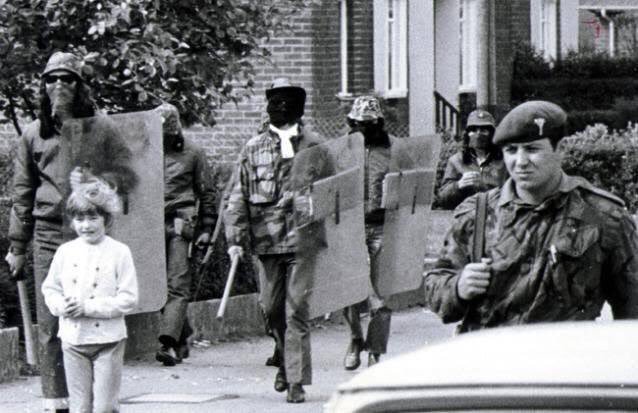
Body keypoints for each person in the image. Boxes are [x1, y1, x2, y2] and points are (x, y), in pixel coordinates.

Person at [424, 100, 638, 332]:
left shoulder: (603, 216)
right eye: (511, 150)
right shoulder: (477, 213)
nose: (520, 162)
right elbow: (435, 285)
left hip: (565, 361)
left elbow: (632, 309)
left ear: (560, 149)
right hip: (489, 360)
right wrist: (458, 287)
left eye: (532, 149)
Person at [5, 51, 137, 413]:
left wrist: (98, 185)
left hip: (91, 233)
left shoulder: (102, 128)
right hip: (48, 233)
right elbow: (22, 192)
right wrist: (17, 245)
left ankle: (97, 400)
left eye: (67, 79)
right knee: (52, 318)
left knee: (96, 313)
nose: (59, 85)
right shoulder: (33, 133)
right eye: (52, 79)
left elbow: (127, 175)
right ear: (43, 86)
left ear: (80, 85)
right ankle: (56, 401)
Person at [224, 77, 323, 403]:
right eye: (273, 100)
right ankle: (283, 356)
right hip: (266, 243)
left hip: (303, 241)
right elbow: (237, 195)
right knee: (271, 309)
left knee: (297, 311)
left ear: (298, 107)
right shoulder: (253, 148)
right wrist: (235, 237)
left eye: (286, 100)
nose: (278, 106)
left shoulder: (316, 147)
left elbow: (335, 192)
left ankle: (296, 381)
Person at [41, 180, 138, 413]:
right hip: (74, 340)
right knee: (80, 407)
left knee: (105, 407)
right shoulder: (66, 252)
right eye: (80, 219)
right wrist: (61, 306)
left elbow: (128, 298)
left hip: (109, 341)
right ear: (72, 221)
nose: (86, 225)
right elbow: (50, 288)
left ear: (107, 218)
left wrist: (88, 307)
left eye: (93, 218)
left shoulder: (119, 252)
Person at [153, 102, 216, 366]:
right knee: (153, 285)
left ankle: (167, 344)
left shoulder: (194, 153)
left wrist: (206, 229)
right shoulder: (144, 151)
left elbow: (208, 193)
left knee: (177, 284)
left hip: (181, 223)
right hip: (151, 224)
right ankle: (182, 333)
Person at [342, 96, 393, 371]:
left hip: (382, 224)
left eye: (369, 124)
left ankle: (375, 349)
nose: (363, 129)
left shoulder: (392, 149)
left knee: (382, 294)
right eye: (358, 124)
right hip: (350, 226)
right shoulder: (341, 151)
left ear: (378, 123)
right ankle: (354, 339)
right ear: (352, 123)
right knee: (350, 289)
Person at [437, 109, 508, 209]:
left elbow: (514, 194)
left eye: (484, 130)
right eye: (473, 130)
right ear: (467, 134)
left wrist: (485, 188)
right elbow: (442, 199)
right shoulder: (456, 161)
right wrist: (458, 185)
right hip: (465, 217)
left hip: (496, 216)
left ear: (492, 134)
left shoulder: (504, 161)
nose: (478, 134)